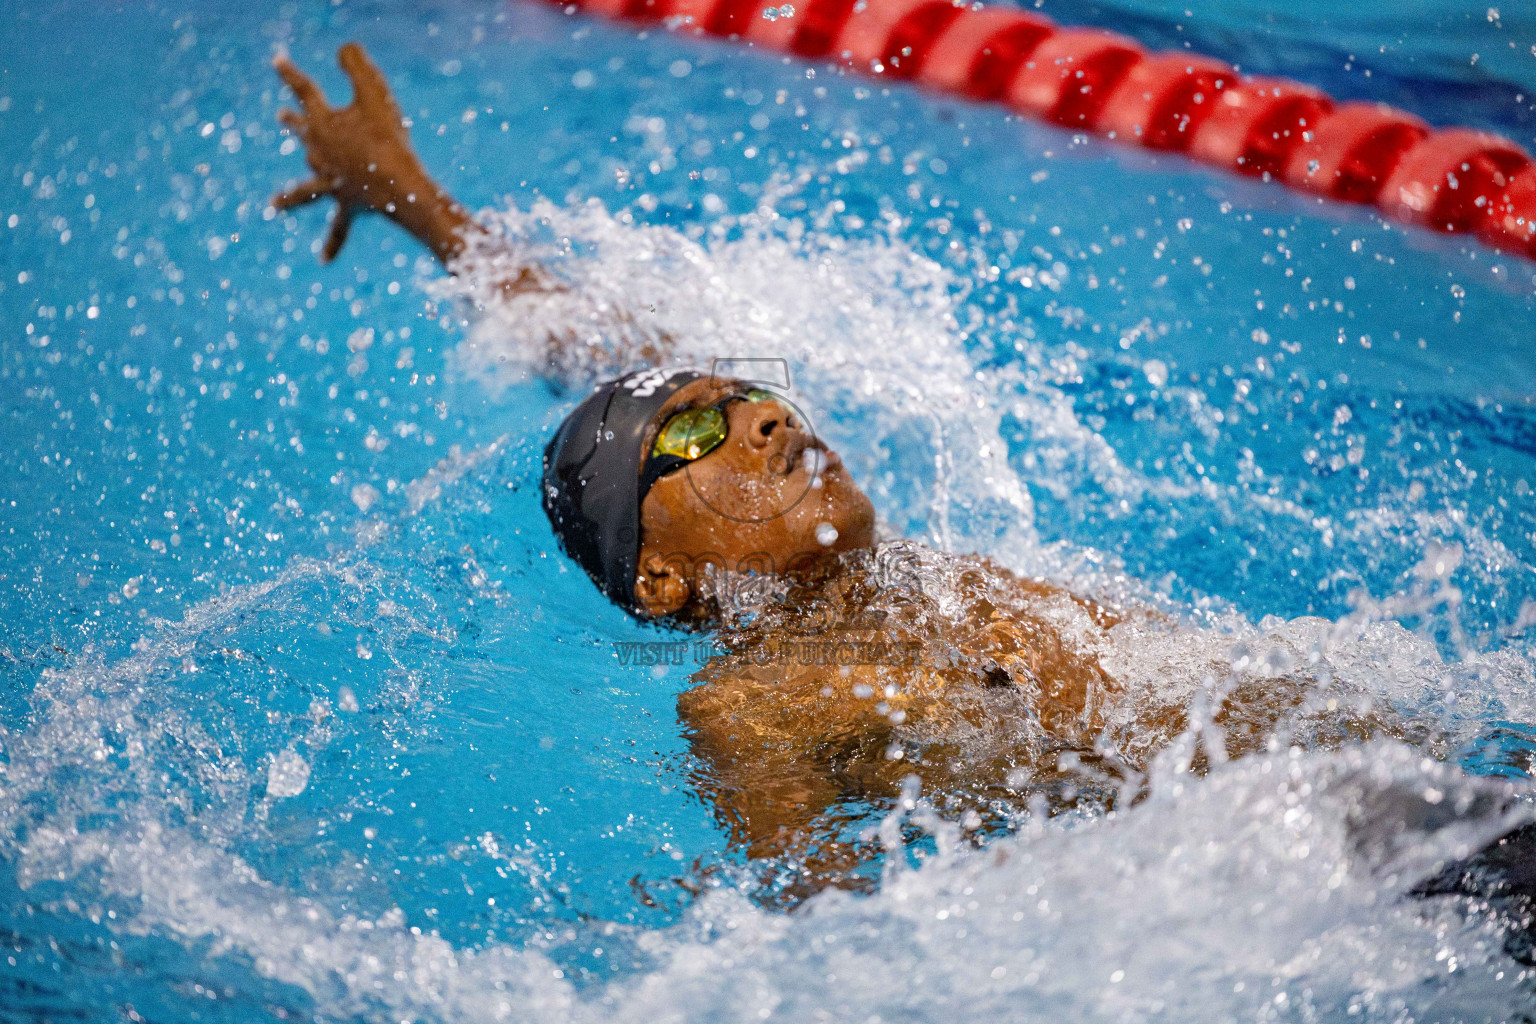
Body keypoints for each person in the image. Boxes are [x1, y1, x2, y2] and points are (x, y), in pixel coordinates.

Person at [267, 44, 1461, 897]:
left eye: (750, 398)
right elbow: (822, 951)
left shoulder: (895, 579)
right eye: (697, 437)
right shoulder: (755, 706)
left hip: (1431, 761)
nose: (761, 424)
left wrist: (417, 203)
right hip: (1370, 879)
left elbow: (592, 350)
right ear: (663, 581)